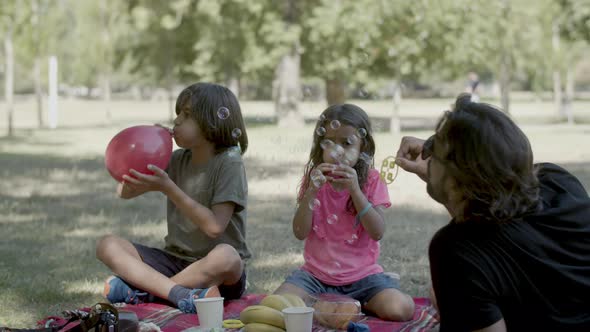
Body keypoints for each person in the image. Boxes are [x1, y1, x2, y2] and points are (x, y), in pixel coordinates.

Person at [395, 93, 590, 331]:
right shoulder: (558, 182)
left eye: (435, 148)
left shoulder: (453, 250)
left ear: (459, 179)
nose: (427, 151)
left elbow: (474, 246)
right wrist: (444, 181)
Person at [96, 82, 251, 313]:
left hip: (217, 271)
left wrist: (169, 188)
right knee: (107, 245)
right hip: (174, 260)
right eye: (178, 113)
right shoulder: (177, 158)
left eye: (186, 115)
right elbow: (123, 192)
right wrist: (148, 148)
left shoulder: (229, 162)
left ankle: (149, 292)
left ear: (212, 122)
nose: (177, 120)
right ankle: (180, 294)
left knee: (227, 256)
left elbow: (215, 227)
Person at [273, 103, 415, 322]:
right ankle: (340, 307)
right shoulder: (314, 180)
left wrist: (355, 190)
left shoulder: (372, 180)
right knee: (277, 305)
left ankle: (335, 305)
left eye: (347, 143)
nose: (337, 151)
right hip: (315, 276)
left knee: (400, 309)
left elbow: (377, 232)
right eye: (329, 143)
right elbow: (300, 232)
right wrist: (311, 190)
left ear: (363, 148)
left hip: (363, 278)